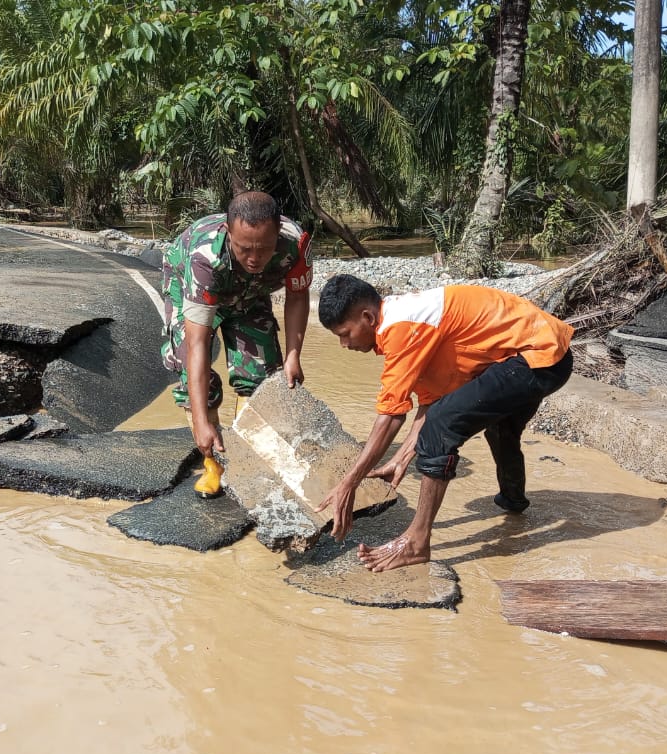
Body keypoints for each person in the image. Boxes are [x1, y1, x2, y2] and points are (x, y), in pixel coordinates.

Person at [315, 274, 574, 572]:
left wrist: (348, 484)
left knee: (442, 428)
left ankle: (416, 542)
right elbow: (431, 400)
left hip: (538, 355)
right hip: (550, 354)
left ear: (367, 317)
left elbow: (390, 416)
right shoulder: (409, 322)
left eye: (345, 333)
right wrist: (402, 457)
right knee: (499, 427)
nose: (344, 344)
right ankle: (513, 504)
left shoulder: (402, 327)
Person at [160, 191, 313, 497]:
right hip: (191, 287)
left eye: (264, 249)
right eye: (244, 249)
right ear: (229, 233)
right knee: (191, 372)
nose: (254, 258)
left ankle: (245, 456)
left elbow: (297, 296)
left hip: (250, 295)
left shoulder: (294, 243)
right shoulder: (205, 258)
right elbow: (198, 346)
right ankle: (212, 462)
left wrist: (294, 355)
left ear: (277, 234)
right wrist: (202, 420)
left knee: (263, 377)